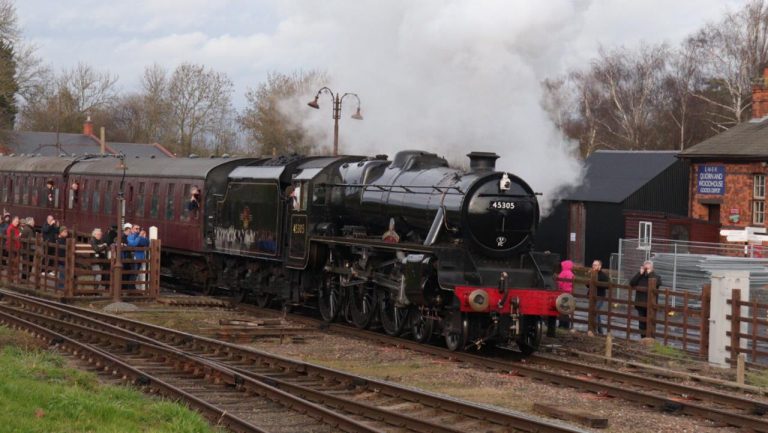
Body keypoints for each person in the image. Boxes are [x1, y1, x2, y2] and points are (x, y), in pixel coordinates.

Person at [630, 260, 662, 333]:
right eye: (645, 268)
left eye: (648, 268)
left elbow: (657, 283)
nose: (646, 270)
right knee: (641, 323)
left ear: (652, 268)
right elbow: (632, 283)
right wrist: (639, 273)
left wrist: (650, 274)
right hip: (640, 303)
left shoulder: (656, 276)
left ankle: (650, 339)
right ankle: (643, 339)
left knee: (650, 322)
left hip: (651, 304)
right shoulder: (640, 276)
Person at [587, 259, 610, 335]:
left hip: (599, 296)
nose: (593, 266)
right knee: (596, 313)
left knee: (595, 311)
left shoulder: (603, 275)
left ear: (600, 266)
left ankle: (594, 330)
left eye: (595, 265)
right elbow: (587, 285)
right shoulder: (592, 273)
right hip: (592, 296)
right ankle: (600, 331)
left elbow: (608, 285)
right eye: (593, 265)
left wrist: (598, 284)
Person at [127, 225, 149, 289]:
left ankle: (132, 288)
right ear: (132, 229)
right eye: (136, 228)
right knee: (134, 273)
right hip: (134, 257)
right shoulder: (130, 237)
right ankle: (131, 288)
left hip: (140, 257)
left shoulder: (139, 237)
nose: (138, 230)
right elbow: (134, 244)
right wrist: (139, 236)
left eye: (138, 229)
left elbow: (146, 243)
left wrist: (144, 237)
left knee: (136, 273)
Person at [557, 259, 574, 330]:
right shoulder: (571, 273)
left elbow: (559, 282)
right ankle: (567, 325)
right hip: (569, 292)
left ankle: (562, 325)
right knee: (566, 310)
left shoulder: (563, 273)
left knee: (561, 309)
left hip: (562, 292)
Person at [5, 216, 21, 281]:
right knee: (12, 263)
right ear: (13, 221)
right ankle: (10, 278)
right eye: (16, 221)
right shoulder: (10, 228)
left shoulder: (16, 228)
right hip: (12, 248)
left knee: (15, 264)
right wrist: (19, 236)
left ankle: (12, 278)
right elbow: (10, 238)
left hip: (16, 248)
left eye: (18, 221)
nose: (17, 223)